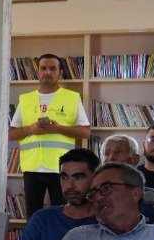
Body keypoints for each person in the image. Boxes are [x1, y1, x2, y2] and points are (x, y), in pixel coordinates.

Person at [8, 53, 91, 213]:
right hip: (32, 167)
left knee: (62, 213)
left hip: (61, 168)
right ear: (38, 72)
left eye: (52, 68)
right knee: (33, 216)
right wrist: (31, 129)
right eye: (43, 68)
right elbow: (11, 134)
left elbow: (86, 132)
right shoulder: (25, 99)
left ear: (60, 72)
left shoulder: (72, 98)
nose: (47, 72)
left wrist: (58, 128)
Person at [99, 134, 154, 223]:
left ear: (134, 159)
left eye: (118, 152)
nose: (111, 158)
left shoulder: (150, 196)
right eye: (106, 153)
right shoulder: (95, 195)